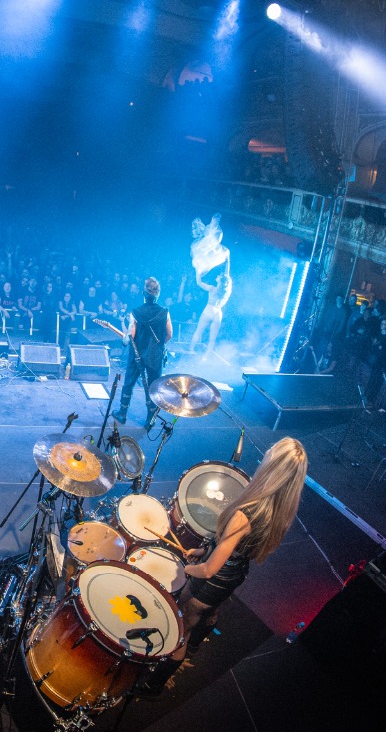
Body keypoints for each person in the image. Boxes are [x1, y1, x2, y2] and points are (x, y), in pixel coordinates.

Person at [171, 437, 308, 662]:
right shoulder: (279, 510)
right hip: (236, 572)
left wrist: (187, 569)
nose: (267, 451)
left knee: (183, 626)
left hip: (215, 577)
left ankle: (159, 678)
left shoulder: (244, 515)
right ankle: (195, 647)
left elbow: (208, 570)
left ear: (272, 466)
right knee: (211, 611)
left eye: (271, 451)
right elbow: (238, 547)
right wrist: (203, 551)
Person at [112, 277, 172, 426]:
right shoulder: (165, 312)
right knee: (153, 387)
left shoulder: (136, 312)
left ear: (143, 293)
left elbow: (131, 336)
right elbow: (169, 334)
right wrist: (158, 346)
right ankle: (150, 419)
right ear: (158, 294)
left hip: (137, 353)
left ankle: (122, 413)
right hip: (155, 355)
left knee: (129, 383)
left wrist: (124, 341)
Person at [191, 270, 232, 353]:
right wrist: (228, 265)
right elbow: (228, 279)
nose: (217, 276)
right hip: (218, 313)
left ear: (220, 280)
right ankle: (207, 356)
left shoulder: (212, 289)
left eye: (219, 276)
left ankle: (191, 349)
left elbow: (199, 283)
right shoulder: (227, 292)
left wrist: (198, 272)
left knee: (199, 330)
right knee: (212, 338)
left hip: (210, 309)